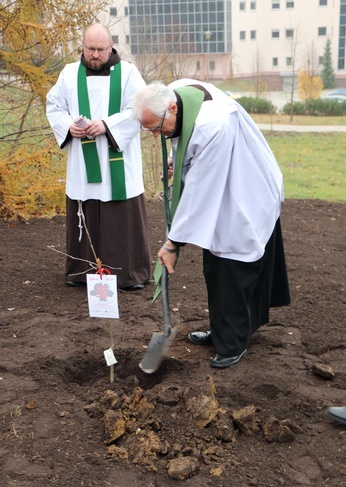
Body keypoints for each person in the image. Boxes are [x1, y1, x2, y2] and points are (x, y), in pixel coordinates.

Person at [132, 79, 291, 368]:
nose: (156, 135)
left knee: (231, 269)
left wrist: (173, 243)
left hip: (243, 193)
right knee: (215, 266)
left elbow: (199, 192)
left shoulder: (212, 125)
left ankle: (233, 344)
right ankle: (223, 333)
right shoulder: (178, 93)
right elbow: (184, 141)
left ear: (170, 108)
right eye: (150, 130)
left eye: (156, 128)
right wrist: (174, 158)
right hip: (224, 183)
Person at [46, 24, 151, 290]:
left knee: (120, 216)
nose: (95, 55)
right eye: (90, 49)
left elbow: (140, 109)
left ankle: (127, 274)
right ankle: (82, 272)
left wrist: (107, 125)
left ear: (111, 46)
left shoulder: (128, 74)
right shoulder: (70, 74)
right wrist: (68, 125)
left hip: (118, 158)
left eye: (100, 50)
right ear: (82, 46)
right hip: (83, 158)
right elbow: (54, 106)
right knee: (86, 208)